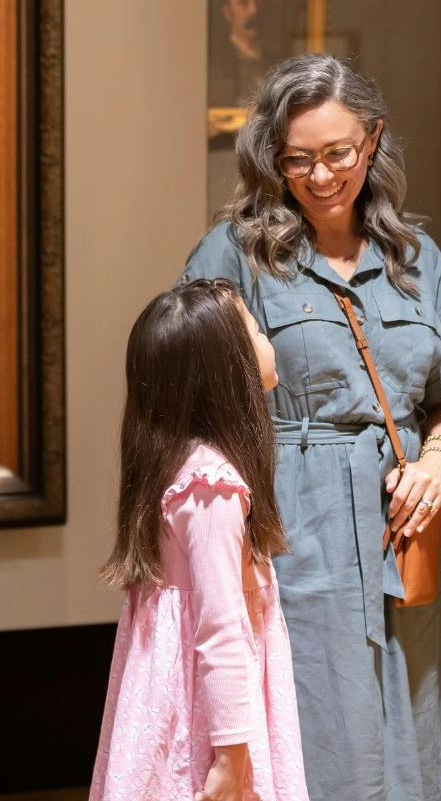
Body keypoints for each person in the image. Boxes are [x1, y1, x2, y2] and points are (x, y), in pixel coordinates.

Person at [181, 54, 441, 801]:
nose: (320, 176)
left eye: (338, 153)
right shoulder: (236, 254)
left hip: (408, 527)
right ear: (271, 159)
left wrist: (440, 460)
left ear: (373, 140)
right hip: (294, 523)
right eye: (298, 160)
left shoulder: (415, 258)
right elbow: (191, 399)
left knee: (419, 718)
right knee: (318, 720)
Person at [91, 278, 309, 801]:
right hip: (203, 726)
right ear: (225, 368)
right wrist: (233, 756)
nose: (266, 338)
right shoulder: (211, 489)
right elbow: (220, 629)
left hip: (172, 705)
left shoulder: (181, 466)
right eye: (255, 330)